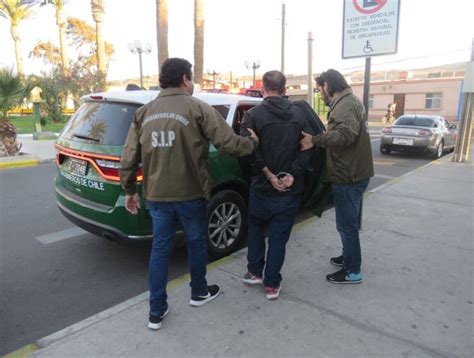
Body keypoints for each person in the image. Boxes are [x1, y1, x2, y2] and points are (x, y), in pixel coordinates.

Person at [119, 58, 259, 330]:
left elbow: (128, 157)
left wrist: (128, 190)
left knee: (160, 250)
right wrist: (252, 143)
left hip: (157, 197)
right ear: (184, 79)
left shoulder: (144, 113)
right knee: (196, 242)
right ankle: (199, 292)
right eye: (191, 78)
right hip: (191, 194)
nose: (193, 83)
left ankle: (156, 312)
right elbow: (228, 143)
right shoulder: (198, 108)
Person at [240, 70, 313, 300]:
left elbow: (249, 152)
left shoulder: (252, 115)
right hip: (291, 191)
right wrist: (292, 174)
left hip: (261, 188)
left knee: (255, 229)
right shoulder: (301, 115)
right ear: (284, 90)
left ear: (263, 89)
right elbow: (309, 146)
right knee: (279, 238)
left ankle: (254, 272)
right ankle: (271, 284)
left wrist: (269, 175)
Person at [300, 69, 374, 284]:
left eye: (320, 88)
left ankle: (353, 271)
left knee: (346, 225)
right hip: (354, 172)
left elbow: (345, 135)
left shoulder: (345, 105)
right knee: (347, 223)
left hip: (349, 175)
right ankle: (348, 257)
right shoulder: (350, 101)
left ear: (327, 85)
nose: (320, 93)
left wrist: (315, 140)